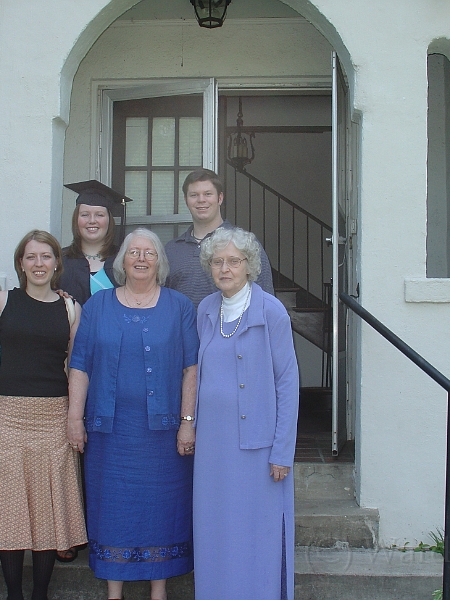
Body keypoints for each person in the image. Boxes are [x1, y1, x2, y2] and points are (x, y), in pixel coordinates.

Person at [66, 228, 198, 600]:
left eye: (149, 253)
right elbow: (80, 365)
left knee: (163, 509)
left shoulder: (179, 306)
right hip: (110, 433)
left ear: (160, 262)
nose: (141, 259)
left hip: (164, 434)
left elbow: (191, 368)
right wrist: (74, 418)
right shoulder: (98, 306)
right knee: (113, 508)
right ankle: (114, 592)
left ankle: (159, 591)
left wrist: (188, 424)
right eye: (133, 252)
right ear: (121, 261)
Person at [0, 230, 87, 600]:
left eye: (46, 257)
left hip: (53, 415)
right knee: (10, 502)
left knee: (47, 506)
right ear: (20, 263)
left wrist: (75, 416)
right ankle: (14, 593)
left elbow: (77, 368)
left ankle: (40, 592)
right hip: (7, 413)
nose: (38, 264)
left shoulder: (71, 308)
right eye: (31, 257)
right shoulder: (2, 301)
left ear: (57, 263)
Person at [193, 226, 299, 600]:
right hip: (212, 449)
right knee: (215, 533)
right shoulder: (206, 309)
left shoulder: (271, 310)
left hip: (258, 450)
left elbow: (287, 383)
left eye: (234, 261)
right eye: (218, 261)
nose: (225, 268)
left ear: (249, 266)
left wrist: (282, 451)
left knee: (257, 536)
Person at [165, 168, 275, 308]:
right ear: (186, 200)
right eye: (194, 195)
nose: (201, 200)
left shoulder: (245, 244)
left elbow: (266, 299)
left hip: (232, 329)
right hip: (183, 330)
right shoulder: (171, 250)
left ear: (220, 198)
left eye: (208, 194)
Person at [58, 180, 132, 305]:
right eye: (85, 215)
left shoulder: (124, 260)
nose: (92, 221)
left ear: (109, 220)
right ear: (76, 219)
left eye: (99, 215)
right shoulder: (60, 260)